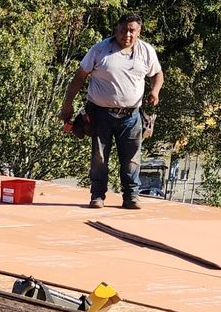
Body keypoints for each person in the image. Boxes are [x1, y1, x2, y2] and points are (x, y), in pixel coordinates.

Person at [60, 13, 162, 209]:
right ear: (116, 30)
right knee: (99, 157)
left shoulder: (146, 51)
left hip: (131, 115)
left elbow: (157, 73)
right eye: (123, 30)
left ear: (139, 32)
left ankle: (131, 196)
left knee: (132, 158)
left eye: (132, 31)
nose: (127, 34)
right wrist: (67, 104)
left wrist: (155, 91)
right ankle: (97, 195)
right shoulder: (100, 49)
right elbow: (79, 77)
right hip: (100, 114)